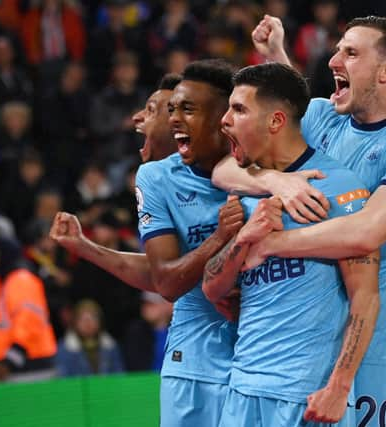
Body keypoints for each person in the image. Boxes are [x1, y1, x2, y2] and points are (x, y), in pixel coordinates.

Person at [213, 15, 386, 426]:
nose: (333, 59)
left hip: (376, 350)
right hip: (303, 356)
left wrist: (266, 244)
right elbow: (228, 166)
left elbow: (365, 233)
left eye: (351, 53)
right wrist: (276, 180)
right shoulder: (324, 116)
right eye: (338, 48)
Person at [52, 62, 244, 427]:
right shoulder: (157, 178)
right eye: (164, 109)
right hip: (196, 357)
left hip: (259, 352)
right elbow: (164, 277)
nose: (140, 117)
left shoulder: (255, 166)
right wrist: (87, 247)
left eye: (160, 108)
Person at [203, 62, 379, 426]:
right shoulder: (247, 192)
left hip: (308, 394)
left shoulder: (341, 187)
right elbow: (211, 286)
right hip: (243, 386)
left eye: (238, 109)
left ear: (275, 122)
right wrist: (243, 242)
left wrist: (339, 387)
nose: (224, 120)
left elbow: (365, 297)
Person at [50, 73, 181, 288]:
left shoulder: (230, 180)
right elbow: (160, 274)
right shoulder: (153, 180)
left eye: (151, 110)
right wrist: (84, 247)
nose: (137, 117)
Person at [0, 221, 57, 383]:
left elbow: (28, 320)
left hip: (29, 366)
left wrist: (12, 358)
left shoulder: (20, 279)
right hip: (6, 366)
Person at [55, 299, 125, 377]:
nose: (88, 323)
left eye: (93, 318)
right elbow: (62, 378)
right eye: (83, 319)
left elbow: (119, 375)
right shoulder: (65, 348)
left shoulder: (110, 345)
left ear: (100, 321)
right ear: (75, 322)